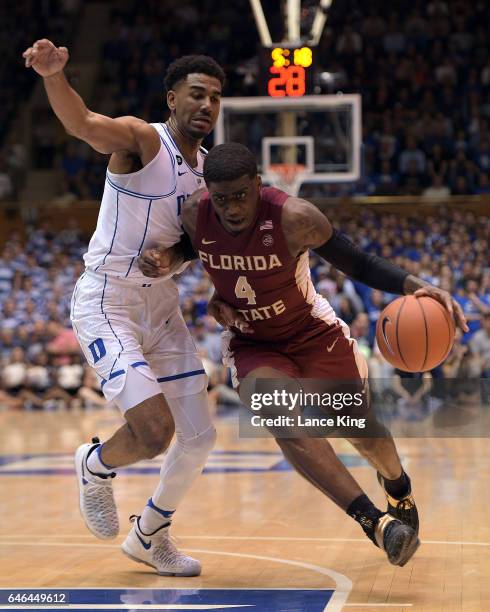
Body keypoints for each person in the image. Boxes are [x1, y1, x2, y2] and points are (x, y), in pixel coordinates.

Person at [140, 142, 468, 567]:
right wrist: (172, 258)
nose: (232, 207)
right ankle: (376, 524)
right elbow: (194, 244)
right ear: (209, 194)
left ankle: (398, 485)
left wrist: (414, 284)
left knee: (360, 430)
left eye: (241, 195)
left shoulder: (296, 218)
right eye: (222, 199)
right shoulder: (194, 214)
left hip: (313, 333)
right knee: (282, 419)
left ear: (258, 185)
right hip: (253, 342)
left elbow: (358, 262)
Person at [23, 38, 225, 576]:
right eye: (197, 94)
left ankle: (150, 534)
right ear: (171, 100)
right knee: (155, 433)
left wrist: (179, 254)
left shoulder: (208, 173)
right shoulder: (142, 140)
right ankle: (95, 464)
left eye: (215, 99)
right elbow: (83, 123)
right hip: (107, 301)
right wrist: (53, 77)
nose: (206, 106)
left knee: (201, 438)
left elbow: (196, 242)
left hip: (162, 308)